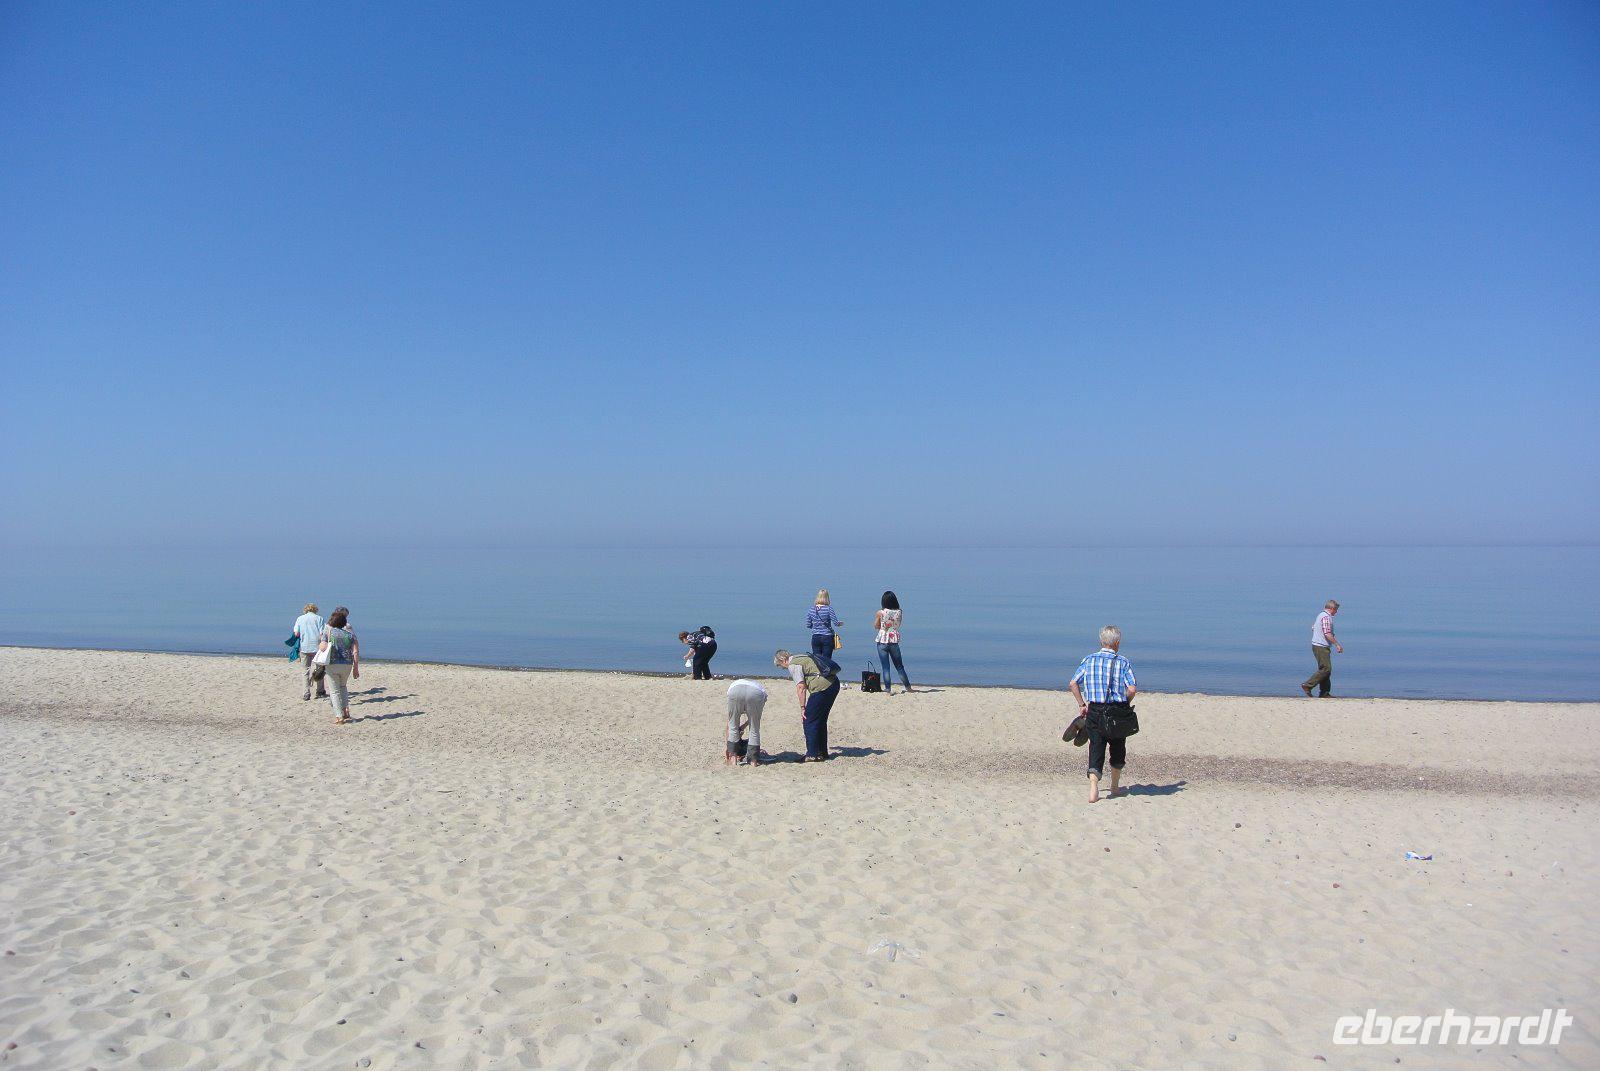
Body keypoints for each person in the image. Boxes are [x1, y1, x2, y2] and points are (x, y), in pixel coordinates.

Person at [1068, 625, 1138, 804]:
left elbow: (1073, 683)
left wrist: (1082, 704)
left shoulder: (1089, 660)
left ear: (1101, 641)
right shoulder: (1122, 662)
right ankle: (1114, 787)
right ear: (1117, 642)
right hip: (1116, 711)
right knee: (1117, 747)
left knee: (1096, 747)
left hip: (1094, 710)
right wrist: (1126, 702)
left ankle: (1093, 789)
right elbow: (1132, 688)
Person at [774, 648, 840, 762]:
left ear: (783, 660)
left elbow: (801, 687)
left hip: (822, 688)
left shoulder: (793, 665)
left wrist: (802, 708)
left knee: (808, 720)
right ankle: (822, 752)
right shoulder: (801, 656)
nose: (783, 668)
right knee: (820, 720)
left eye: (780, 666)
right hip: (833, 683)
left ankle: (812, 754)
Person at [316, 606, 360, 725]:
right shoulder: (349, 635)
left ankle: (339, 716)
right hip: (347, 664)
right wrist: (356, 668)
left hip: (333, 663)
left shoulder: (328, 632)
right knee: (343, 687)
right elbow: (355, 651)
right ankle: (346, 710)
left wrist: (321, 644)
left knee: (334, 691)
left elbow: (323, 647)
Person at [873, 590, 912, 695]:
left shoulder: (880, 612)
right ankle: (908, 688)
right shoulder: (899, 612)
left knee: (886, 667)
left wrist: (879, 619)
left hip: (882, 641)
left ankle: (888, 689)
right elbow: (897, 625)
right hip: (893, 640)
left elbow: (876, 626)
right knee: (899, 666)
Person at [1302, 599, 1343, 697]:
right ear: (1332, 608)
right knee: (1326, 669)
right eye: (1336, 610)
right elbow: (1327, 633)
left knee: (1325, 669)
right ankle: (1308, 685)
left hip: (1320, 645)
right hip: (1320, 646)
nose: (1336, 612)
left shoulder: (1321, 615)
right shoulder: (1325, 617)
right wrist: (1337, 644)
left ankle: (1324, 692)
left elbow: (1313, 627)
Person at [725, 678, 768, 766]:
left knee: (732, 725)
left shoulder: (736, 684)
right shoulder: (762, 693)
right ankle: (753, 761)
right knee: (754, 729)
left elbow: (730, 724)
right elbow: (754, 720)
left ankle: (733, 759)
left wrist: (728, 747)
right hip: (756, 692)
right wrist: (745, 725)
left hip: (735, 689)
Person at [292, 602, 327, 701]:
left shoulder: (300, 618)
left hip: (304, 646)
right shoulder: (319, 618)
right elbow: (322, 634)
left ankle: (306, 693)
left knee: (305, 671)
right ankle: (320, 690)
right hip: (317, 647)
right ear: (315, 610)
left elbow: (296, 633)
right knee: (320, 669)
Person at [806, 589, 843, 662]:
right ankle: (827, 673)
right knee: (827, 659)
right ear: (827, 597)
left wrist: (816, 627)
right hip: (827, 637)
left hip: (815, 637)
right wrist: (841, 623)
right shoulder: (829, 609)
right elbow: (836, 623)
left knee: (816, 659)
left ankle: (817, 672)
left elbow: (808, 625)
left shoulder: (811, 610)